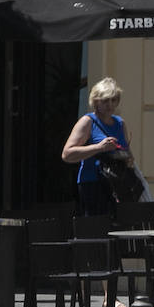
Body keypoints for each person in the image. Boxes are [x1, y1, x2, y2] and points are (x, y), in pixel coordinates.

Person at [62, 77, 135, 217]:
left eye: (113, 100)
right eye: (105, 100)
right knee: (97, 231)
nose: (110, 105)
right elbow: (67, 154)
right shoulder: (88, 122)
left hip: (118, 185)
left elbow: (128, 154)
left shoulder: (120, 123)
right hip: (93, 184)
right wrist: (98, 147)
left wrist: (128, 158)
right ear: (96, 102)